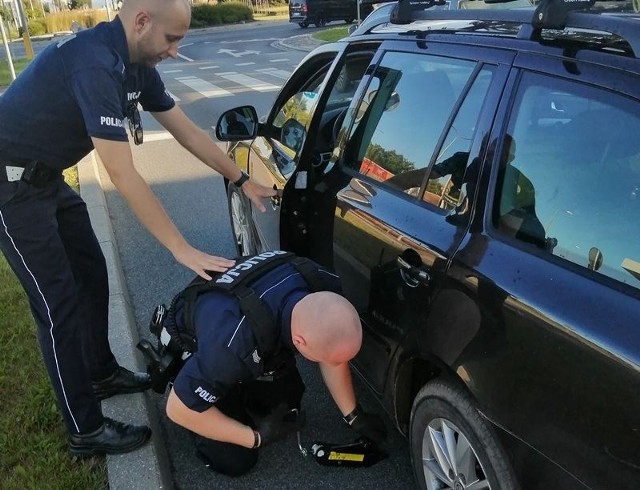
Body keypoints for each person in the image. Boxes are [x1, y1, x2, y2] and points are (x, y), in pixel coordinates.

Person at [0, 0, 275, 456]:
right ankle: (84, 430)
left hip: (46, 178)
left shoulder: (135, 64)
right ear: (141, 21)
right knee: (57, 307)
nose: (175, 51)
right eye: (172, 39)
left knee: (90, 271)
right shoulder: (93, 63)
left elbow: (186, 130)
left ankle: (101, 372)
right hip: (12, 185)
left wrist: (240, 178)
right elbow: (122, 174)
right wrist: (179, 248)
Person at [164, 253, 387, 477]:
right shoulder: (231, 345)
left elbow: (331, 345)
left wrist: (354, 415)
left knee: (288, 403)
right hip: (195, 342)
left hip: (238, 324)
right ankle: (190, 381)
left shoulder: (320, 281)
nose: (337, 364)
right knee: (236, 460)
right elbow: (177, 408)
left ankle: (243, 392)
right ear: (299, 341)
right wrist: (257, 437)